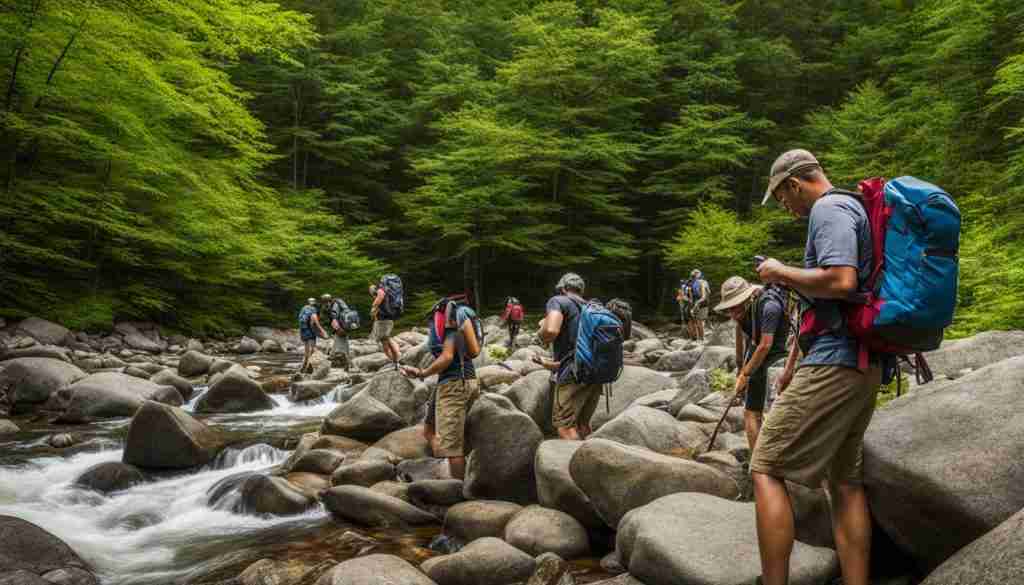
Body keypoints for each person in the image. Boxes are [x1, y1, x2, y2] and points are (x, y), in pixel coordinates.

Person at [753, 149, 882, 585]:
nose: (785, 208)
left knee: (766, 465)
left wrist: (779, 271)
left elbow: (841, 281)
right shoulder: (850, 207)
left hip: (836, 361)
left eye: (782, 198)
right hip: (861, 363)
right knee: (844, 482)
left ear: (794, 183)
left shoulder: (828, 209)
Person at [401, 297, 481, 480]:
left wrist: (422, 373)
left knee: (453, 447)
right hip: (452, 382)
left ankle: (460, 491)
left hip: (455, 384)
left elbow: (446, 357)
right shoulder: (457, 321)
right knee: (429, 429)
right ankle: (444, 468)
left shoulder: (450, 325)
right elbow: (470, 352)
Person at [713, 277, 791, 451]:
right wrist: (740, 369)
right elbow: (742, 337)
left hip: (775, 362)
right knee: (751, 412)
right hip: (756, 362)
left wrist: (746, 374)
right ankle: (756, 460)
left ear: (747, 298)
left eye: (734, 307)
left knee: (768, 415)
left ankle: (764, 463)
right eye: (729, 309)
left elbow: (765, 345)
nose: (732, 313)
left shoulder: (769, 306)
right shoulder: (744, 312)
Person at [539, 272, 599, 441]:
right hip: (596, 372)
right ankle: (591, 462)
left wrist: (541, 331)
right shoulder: (590, 308)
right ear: (581, 290)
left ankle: (573, 466)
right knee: (583, 425)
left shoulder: (558, 301)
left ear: (563, 288)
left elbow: (551, 331)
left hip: (573, 372)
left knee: (565, 427)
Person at [370, 280, 401, 370]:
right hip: (387, 319)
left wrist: (373, 307)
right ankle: (397, 360)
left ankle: (397, 360)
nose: (371, 292)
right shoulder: (388, 293)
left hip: (384, 320)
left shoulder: (381, 290)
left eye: (371, 290)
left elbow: (380, 295)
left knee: (385, 344)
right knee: (387, 340)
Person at [298, 297, 328, 374]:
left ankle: (303, 368)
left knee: (306, 350)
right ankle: (310, 368)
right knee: (312, 349)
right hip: (309, 331)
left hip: (303, 330)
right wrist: (322, 330)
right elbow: (314, 321)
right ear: (314, 303)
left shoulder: (304, 308)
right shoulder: (313, 309)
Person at [325, 293, 352, 371]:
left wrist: (337, 329)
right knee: (345, 344)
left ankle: (337, 361)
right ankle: (347, 363)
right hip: (346, 326)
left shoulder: (334, 305)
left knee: (338, 344)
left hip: (340, 327)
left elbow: (334, 317)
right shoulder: (341, 303)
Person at [690, 269, 711, 340]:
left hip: (702, 303)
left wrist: (697, 302)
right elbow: (708, 292)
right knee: (697, 321)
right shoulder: (698, 282)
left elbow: (704, 295)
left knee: (699, 321)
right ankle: (699, 338)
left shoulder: (702, 282)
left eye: (696, 274)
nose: (695, 276)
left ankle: (701, 338)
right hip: (699, 303)